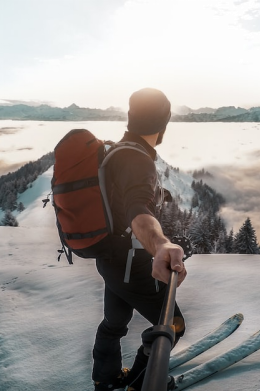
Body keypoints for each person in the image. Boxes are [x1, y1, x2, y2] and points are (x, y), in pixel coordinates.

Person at [92, 88, 188, 391]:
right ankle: (140, 381)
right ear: (164, 123)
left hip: (109, 259)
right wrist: (160, 243)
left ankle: (106, 381)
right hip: (131, 264)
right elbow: (137, 209)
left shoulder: (116, 151)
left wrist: (156, 195)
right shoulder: (138, 161)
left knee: (114, 323)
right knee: (172, 325)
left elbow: (125, 199)